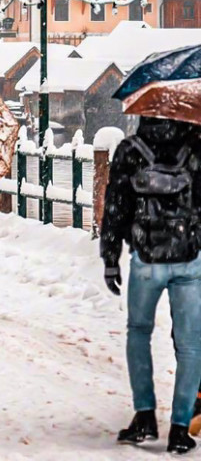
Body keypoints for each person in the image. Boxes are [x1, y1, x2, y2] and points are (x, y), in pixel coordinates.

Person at [101, 115, 201, 455]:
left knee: (139, 332)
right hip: (189, 257)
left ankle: (144, 417)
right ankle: (180, 427)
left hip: (146, 259)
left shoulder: (131, 150)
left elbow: (116, 207)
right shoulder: (196, 147)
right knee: (191, 345)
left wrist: (111, 256)